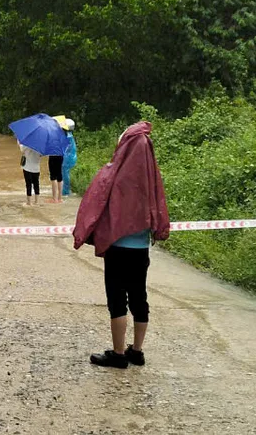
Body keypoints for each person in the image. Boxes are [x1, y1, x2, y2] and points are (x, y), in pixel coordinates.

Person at [73, 121, 170, 369]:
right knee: (139, 296)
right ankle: (137, 351)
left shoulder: (114, 176)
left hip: (118, 248)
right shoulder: (151, 179)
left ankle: (118, 354)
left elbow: (95, 206)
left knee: (117, 298)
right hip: (141, 249)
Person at [62, 121, 78, 197]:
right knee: (65, 173)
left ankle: (66, 192)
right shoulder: (68, 135)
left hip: (67, 158)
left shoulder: (67, 136)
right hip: (70, 157)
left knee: (65, 174)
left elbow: (64, 148)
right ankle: (66, 190)